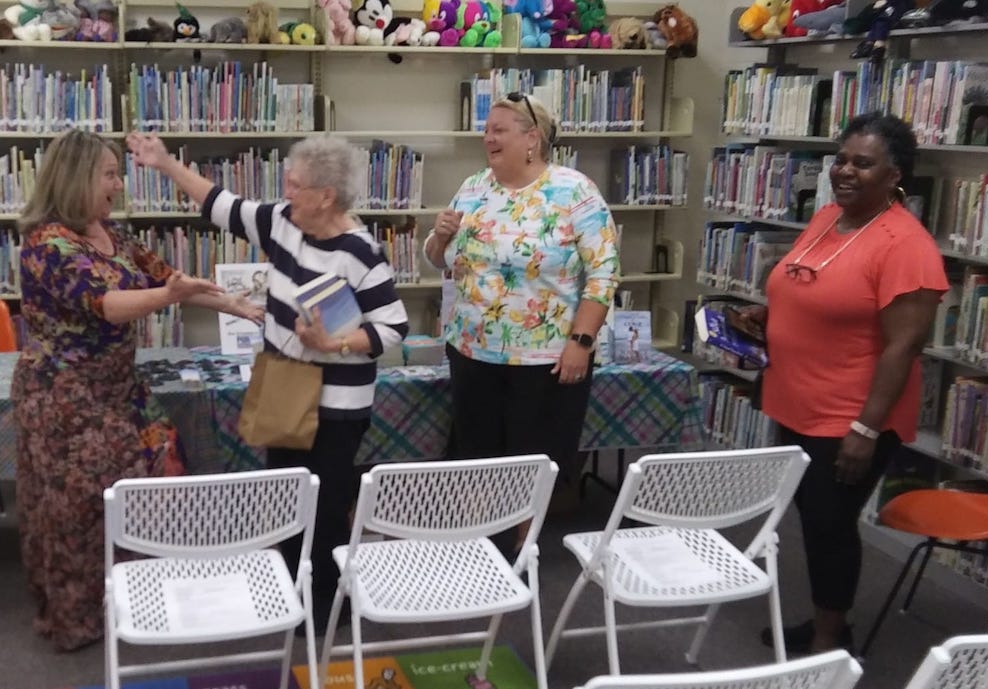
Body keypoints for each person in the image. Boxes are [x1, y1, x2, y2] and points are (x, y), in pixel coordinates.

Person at [126, 132, 409, 633]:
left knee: (323, 503)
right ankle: (290, 590)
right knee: (286, 496)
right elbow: (219, 204)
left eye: (295, 185)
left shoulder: (362, 252)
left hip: (338, 403)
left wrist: (336, 344)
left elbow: (392, 328)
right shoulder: (281, 222)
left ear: (326, 195)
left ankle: (324, 609)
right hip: (283, 384)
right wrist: (165, 163)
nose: (285, 191)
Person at [12, 129, 264, 652]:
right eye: (109, 174)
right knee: (75, 512)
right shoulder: (45, 245)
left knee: (143, 489)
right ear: (78, 176)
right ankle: (79, 623)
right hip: (64, 401)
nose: (119, 185)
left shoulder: (113, 235)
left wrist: (237, 306)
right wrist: (167, 295)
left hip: (118, 390)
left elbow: (172, 278)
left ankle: (134, 599)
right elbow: (106, 303)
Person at [736, 113, 949, 655]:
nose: (845, 171)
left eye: (863, 162)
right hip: (797, 399)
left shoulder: (906, 244)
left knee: (831, 524)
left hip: (850, 414)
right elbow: (809, 286)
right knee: (812, 517)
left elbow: (904, 345)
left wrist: (866, 428)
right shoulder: (830, 218)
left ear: (895, 174)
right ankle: (824, 618)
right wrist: (769, 314)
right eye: (842, 159)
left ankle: (833, 640)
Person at [424, 93, 619, 549]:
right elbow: (441, 261)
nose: (487, 137)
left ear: (532, 138)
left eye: (499, 129)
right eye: (486, 129)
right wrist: (440, 238)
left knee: (532, 462)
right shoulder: (474, 188)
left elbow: (604, 272)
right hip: (472, 350)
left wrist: (582, 341)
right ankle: (479, 546)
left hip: (545, 359)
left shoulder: (574, 192)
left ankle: (521, 552)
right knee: (478, 457)